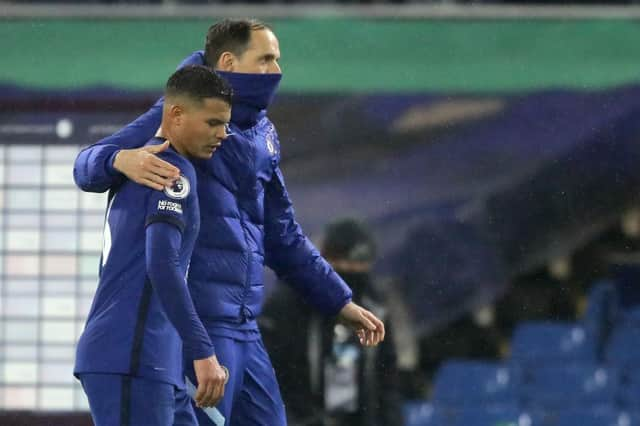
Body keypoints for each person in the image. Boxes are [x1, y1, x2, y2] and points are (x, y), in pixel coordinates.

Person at [73, 19, 385, 426]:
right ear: (228, 61)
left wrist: (337, 300)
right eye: (266, 59)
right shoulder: (181, 114)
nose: (276, 71)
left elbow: (282, 233)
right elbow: (86, 167)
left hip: (245, 326)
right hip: (198, 324)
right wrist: (117, 158)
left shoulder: (263, 133)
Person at [74, 66, 233, 426]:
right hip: (132, 356)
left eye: (225, 124)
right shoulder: (168, 171)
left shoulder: (139, 162)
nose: (222, 134)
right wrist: (202, 350)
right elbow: (161, 265)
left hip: (154, 359)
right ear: (176, 114)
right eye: (212, 123)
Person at [261, 218, 401, 426]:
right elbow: (268, 373)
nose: (352, 269)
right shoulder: (288, 304)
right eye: (342, 262)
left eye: (360, 263)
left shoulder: (374, 305)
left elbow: (386, 378)